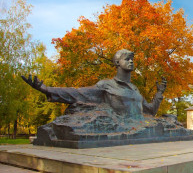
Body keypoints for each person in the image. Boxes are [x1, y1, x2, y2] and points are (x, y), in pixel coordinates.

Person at [22, 49, 166, 120]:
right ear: (117, 62)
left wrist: (159, 93)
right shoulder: (106, 85)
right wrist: (46, 89)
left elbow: (149, 111)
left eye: (132, 59)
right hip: (120, 130)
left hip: (139, 130)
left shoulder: (135, 89)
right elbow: (77, 92)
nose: (131, 61)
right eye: (127, 59)